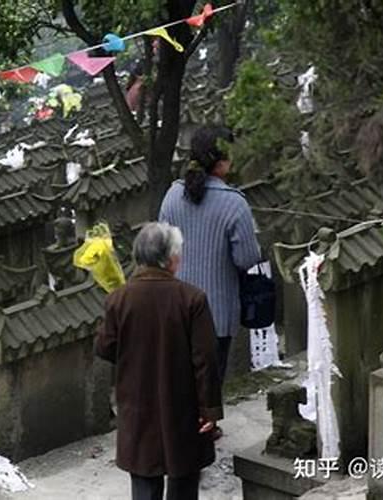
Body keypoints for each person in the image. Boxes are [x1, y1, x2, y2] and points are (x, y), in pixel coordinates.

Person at [96, 222, 222, 500]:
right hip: (183, 407)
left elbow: (105, 348)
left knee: (144, 484)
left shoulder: (119, 299)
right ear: (171, 258)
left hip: (137, 406)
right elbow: (206, 359)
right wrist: (209, 409)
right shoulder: (192, 299)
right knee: (184, 482)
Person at [159, 125, 262, 390]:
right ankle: (205, 427)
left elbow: (161, 250)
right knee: (209, 385)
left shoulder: (172, 196)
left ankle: (185, 428)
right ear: (222, 160)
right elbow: (247, 258)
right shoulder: (235, 203)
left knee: (182, 383)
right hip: (217, 312)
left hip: (176, 309)